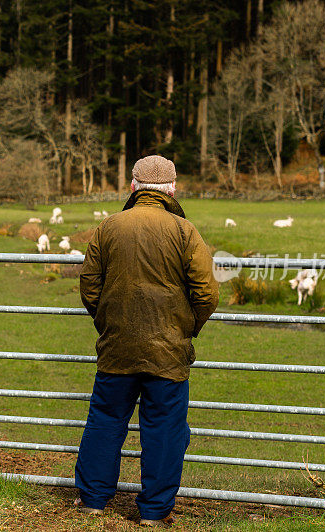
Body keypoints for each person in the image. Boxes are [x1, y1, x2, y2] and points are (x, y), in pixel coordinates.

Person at [74, 155, 219, 528]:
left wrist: (108, 323)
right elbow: (206, 293)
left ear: (134, 186)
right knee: (166, 430)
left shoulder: (109, 227)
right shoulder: (184, 231)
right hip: (167, 352)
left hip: (117, 348)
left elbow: (89, 286)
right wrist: (186, 329)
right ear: (172, 189)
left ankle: (92, 500)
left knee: (106, 420)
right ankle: (154, 512)